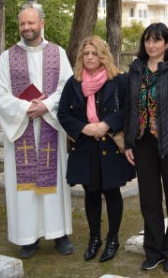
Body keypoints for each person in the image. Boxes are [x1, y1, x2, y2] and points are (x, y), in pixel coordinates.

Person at [0, 5, 74, 258]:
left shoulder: (58, 54)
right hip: (21, 130)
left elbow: (68, 88)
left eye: (31, 23)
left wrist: (46, 106)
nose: (26, 28)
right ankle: (28, 237)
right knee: (24, 186)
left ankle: (59, 233)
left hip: (50, 126)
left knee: (54, 183)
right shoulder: (7, 57)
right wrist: (27, 107)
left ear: (42, 23)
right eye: (22, 24)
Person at [123, 22, 168, 273]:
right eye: (148, 40)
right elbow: (130, 108)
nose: (151, 45)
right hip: (143, 144)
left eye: (157, 40)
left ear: (167, 43)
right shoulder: (136, 70)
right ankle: (153, 250)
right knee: (149, 200)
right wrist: (128, 142)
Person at [57, 36, 136, 262]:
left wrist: (107, 123)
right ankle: (95, 238)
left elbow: (130, 109)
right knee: (91, 193)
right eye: (86, 54)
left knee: (111, 192)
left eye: (94, 53)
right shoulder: (74, 83)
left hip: (111, 147)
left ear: (103, 55)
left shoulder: (119, 80)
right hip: (86, 147)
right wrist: (84, 128)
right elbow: (63, 113)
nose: (90, 57)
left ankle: (112, 238)